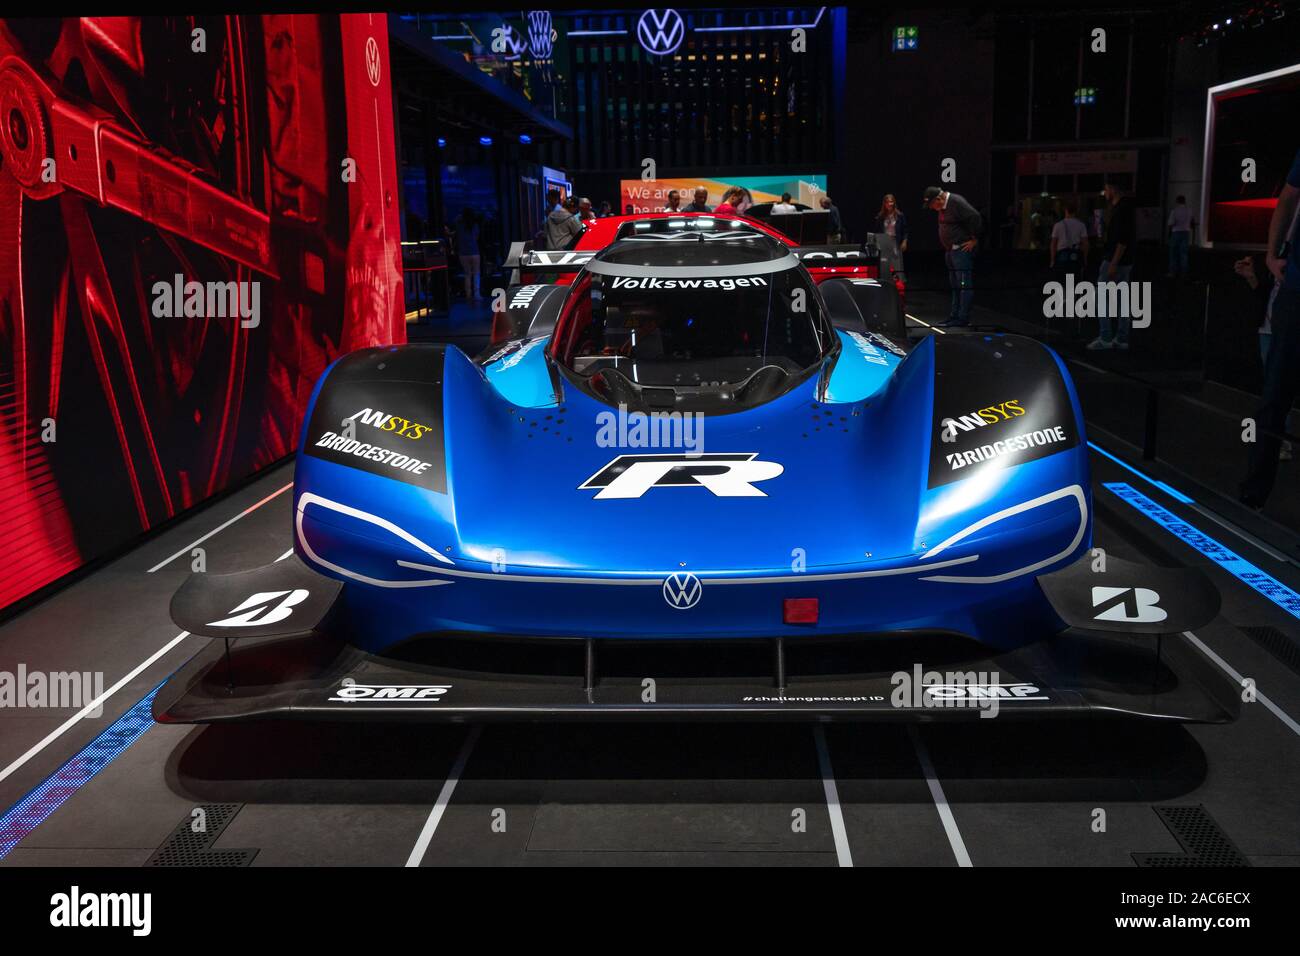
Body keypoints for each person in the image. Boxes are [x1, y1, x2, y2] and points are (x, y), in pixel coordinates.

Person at [1241, 149, 1300, 508]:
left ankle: (1253, 491)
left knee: (1275, 394)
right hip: (1296, 291)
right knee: (1275, 394)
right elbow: (1288, 199)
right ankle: (1253, 492)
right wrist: (1271, 254)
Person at [1234, 254, 1291, 461]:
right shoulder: (1276, 259)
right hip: (1266, 330)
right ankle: (1272, 439)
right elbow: (1265, 292)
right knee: (1271, 385)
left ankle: (1280, 441)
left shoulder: (1290, 265)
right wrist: (1251, 278)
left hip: (1284, 331)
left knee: (1280, 386)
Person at [1086, 179, 1137, 350]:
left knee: (1102, 298)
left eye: (1106, 189)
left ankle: (1105, 337)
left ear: (1112, 189)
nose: (1105, 193)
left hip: (1114, 260)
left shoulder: (1120, 210)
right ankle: (1122, 339)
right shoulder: (1126, 208)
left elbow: (1122, 240)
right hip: (1126, 260)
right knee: (1123, 300)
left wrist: (1113, 262)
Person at [922, 185, 982, 328]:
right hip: (950, 251)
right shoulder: (943, 206)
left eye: (931, 204)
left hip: (960, 251)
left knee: (963, 286)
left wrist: (975, 239)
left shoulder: (956, 202)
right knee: (955, 286)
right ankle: (954, 316)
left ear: (938, 199)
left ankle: (963, 318)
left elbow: (975, 216)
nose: (931, 208)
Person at [1050, 201, 1089, 279]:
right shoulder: (1081, 225)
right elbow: (1086, 244)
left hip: (1061, 256)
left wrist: (1052, 260)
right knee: (1075, 280)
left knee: (1061, 281)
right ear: (1076, 211)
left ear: (1065, 210)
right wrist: (1085, 259)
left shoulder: (1058, 225)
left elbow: (1053, 244)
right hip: (1075, 256)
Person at [451, 206, 481, 301]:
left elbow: (455, 223)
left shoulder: (459, 226)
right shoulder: (475, 225)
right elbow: (477, 237)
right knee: (476, 273)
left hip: (463, 253)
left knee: (467, 274)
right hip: (474, 251)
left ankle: (468, 294)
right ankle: (477, 294)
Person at [875, 193, 908, 267]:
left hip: (895, 241)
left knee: (896, 262)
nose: (889, 204)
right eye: (887, 202)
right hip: (884, 241)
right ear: (884, 204)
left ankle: (897, 277)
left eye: (891, 201)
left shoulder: (899, 215)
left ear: (894, 202)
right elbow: (877, 231)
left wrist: (904, 241)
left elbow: (905, 230)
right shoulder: (881, 216)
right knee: (885, 263)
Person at [1167, 195, 1194, 278]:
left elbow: (1170, 223)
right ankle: (1184, 273)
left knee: (1173, 253)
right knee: (1184, 254)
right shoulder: (1189, 210)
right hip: (1186, 232)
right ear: (1184, 201)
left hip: (1176, 232)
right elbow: (1192, 221)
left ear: (1177, 201)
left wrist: (1169, 233)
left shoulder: (1174, 211)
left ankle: (1172, 272)